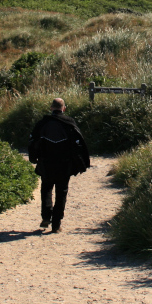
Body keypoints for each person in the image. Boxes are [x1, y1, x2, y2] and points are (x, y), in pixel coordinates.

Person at [28, 99, 90, 233]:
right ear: (64, 108)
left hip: (46, 163)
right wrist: (81, 164)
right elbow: (78, 145)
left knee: (46, 189)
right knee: (61, 192)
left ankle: (46, 216)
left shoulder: (42, 123)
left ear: (51, 108)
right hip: (64, 164)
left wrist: (34, 159)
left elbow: (32, 142)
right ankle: (56, 224)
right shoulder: (69, 124)